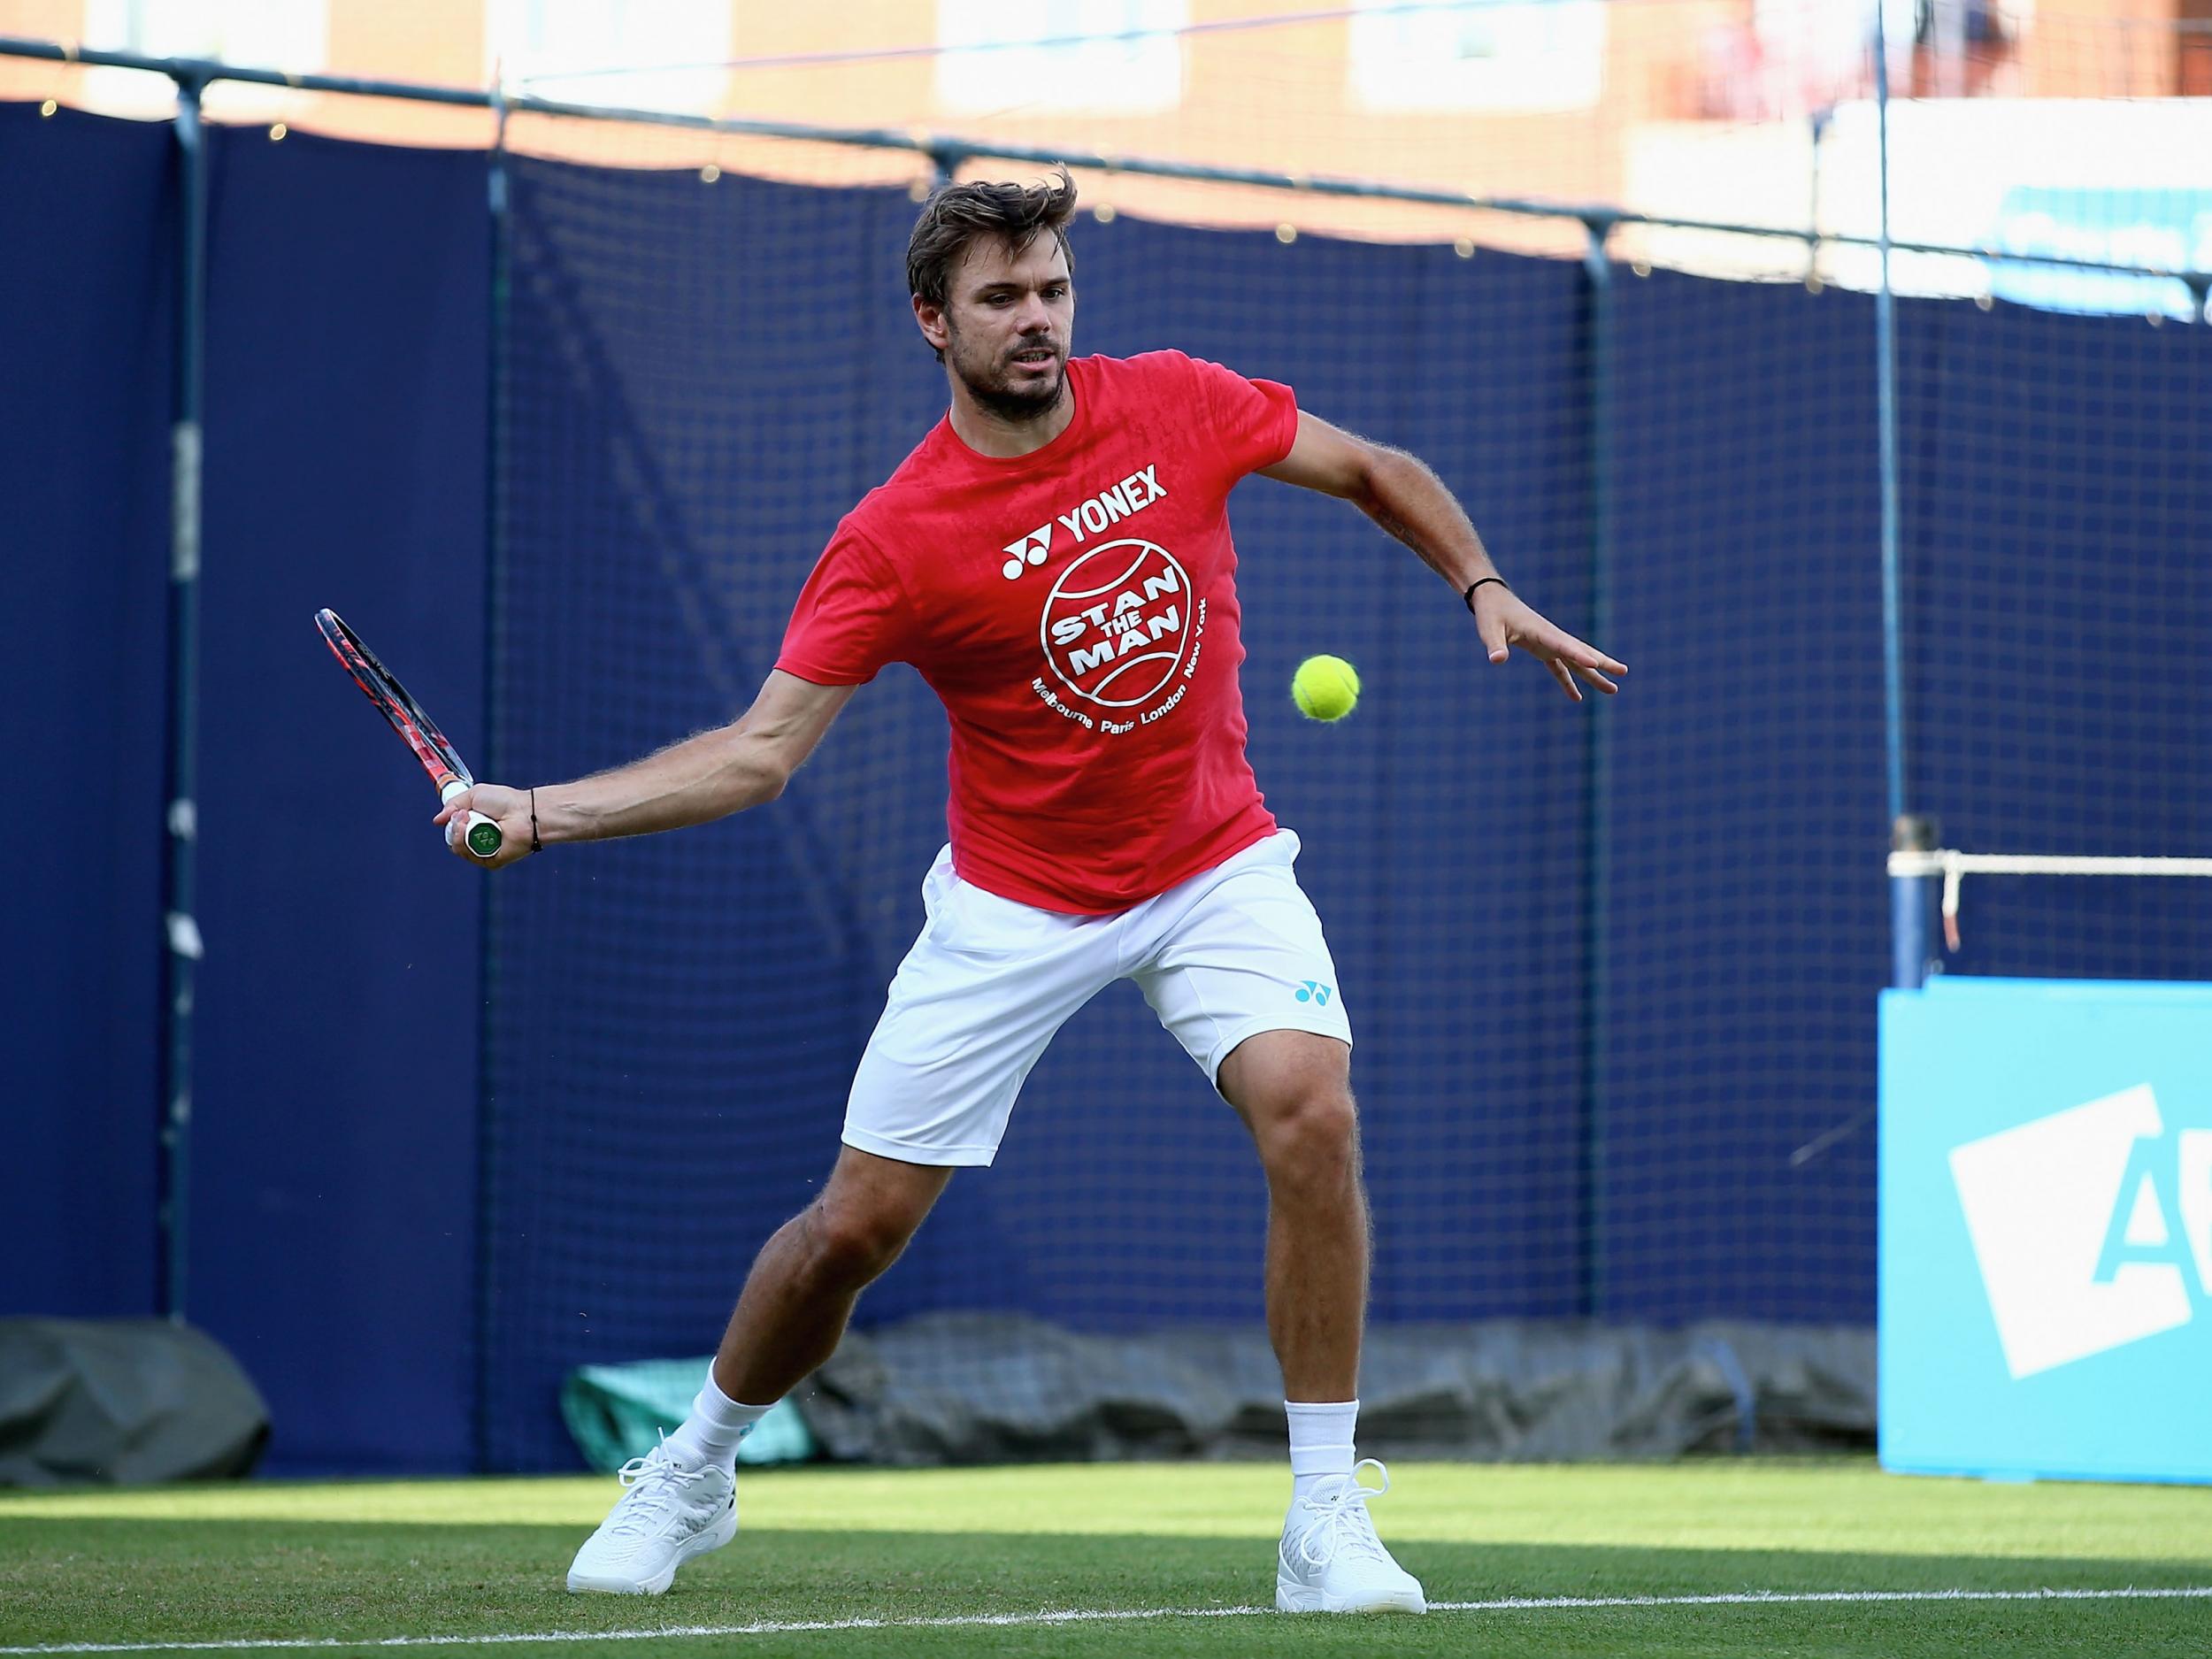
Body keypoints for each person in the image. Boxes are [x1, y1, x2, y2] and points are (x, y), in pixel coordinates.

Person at [439, 169, 1624, 1615]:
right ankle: (693, 1468)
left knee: (1314, 1111)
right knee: (851, 1234)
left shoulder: (1176, 402)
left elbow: (1372, 465)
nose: (1037, 320)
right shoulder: (897, 536)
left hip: (1215, 862)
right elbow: (758, 756)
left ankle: (1325, 1520)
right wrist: (542, 815)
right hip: (1017, 904)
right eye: (1001, 298)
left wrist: (1479, 581)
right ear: (934, 323)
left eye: (1052, 289)